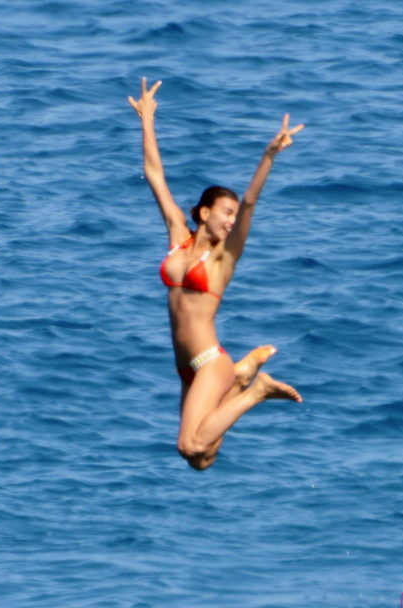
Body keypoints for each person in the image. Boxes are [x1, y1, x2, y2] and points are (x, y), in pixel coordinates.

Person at [128, 77, 304, 471]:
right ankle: (241, 377)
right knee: (202, 461)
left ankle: (254, 390)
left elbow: (252, 201)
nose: (231, 221)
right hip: (185, 365)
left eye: (233, 216)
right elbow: (155, 175)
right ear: (204, 213)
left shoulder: (224, 259)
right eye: (225, 213)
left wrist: (268, 156)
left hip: (208, 360)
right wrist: (147, 120)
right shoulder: (178, 235)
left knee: (189, 445)